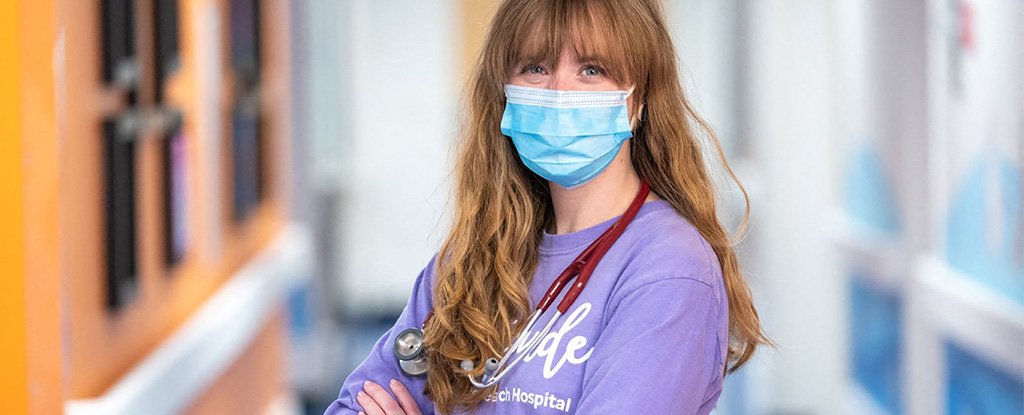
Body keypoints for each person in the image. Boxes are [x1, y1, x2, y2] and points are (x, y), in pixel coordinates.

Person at [325, 0, 773, 413]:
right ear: (505, 95)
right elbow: (358, 403)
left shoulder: (669, 272)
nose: (559, 91)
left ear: (637, 102)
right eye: (535, 68)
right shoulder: (475, 257)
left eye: (591, 70)